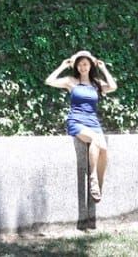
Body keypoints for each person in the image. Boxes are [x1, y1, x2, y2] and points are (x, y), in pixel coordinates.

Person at [44, 49, 117, 201]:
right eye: (79, 64)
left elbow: (113, 86)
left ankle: (99, 188)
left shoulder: (96, 84)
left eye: (85, 64)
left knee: (104, 149)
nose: (82, 67)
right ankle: (93, 179)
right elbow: (49, 81)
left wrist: (103, 68)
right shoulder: (71, 81)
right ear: (76, 67)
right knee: (96, 140)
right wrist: (63, 66)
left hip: (93, 122)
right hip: (76, 121)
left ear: (90, 65)